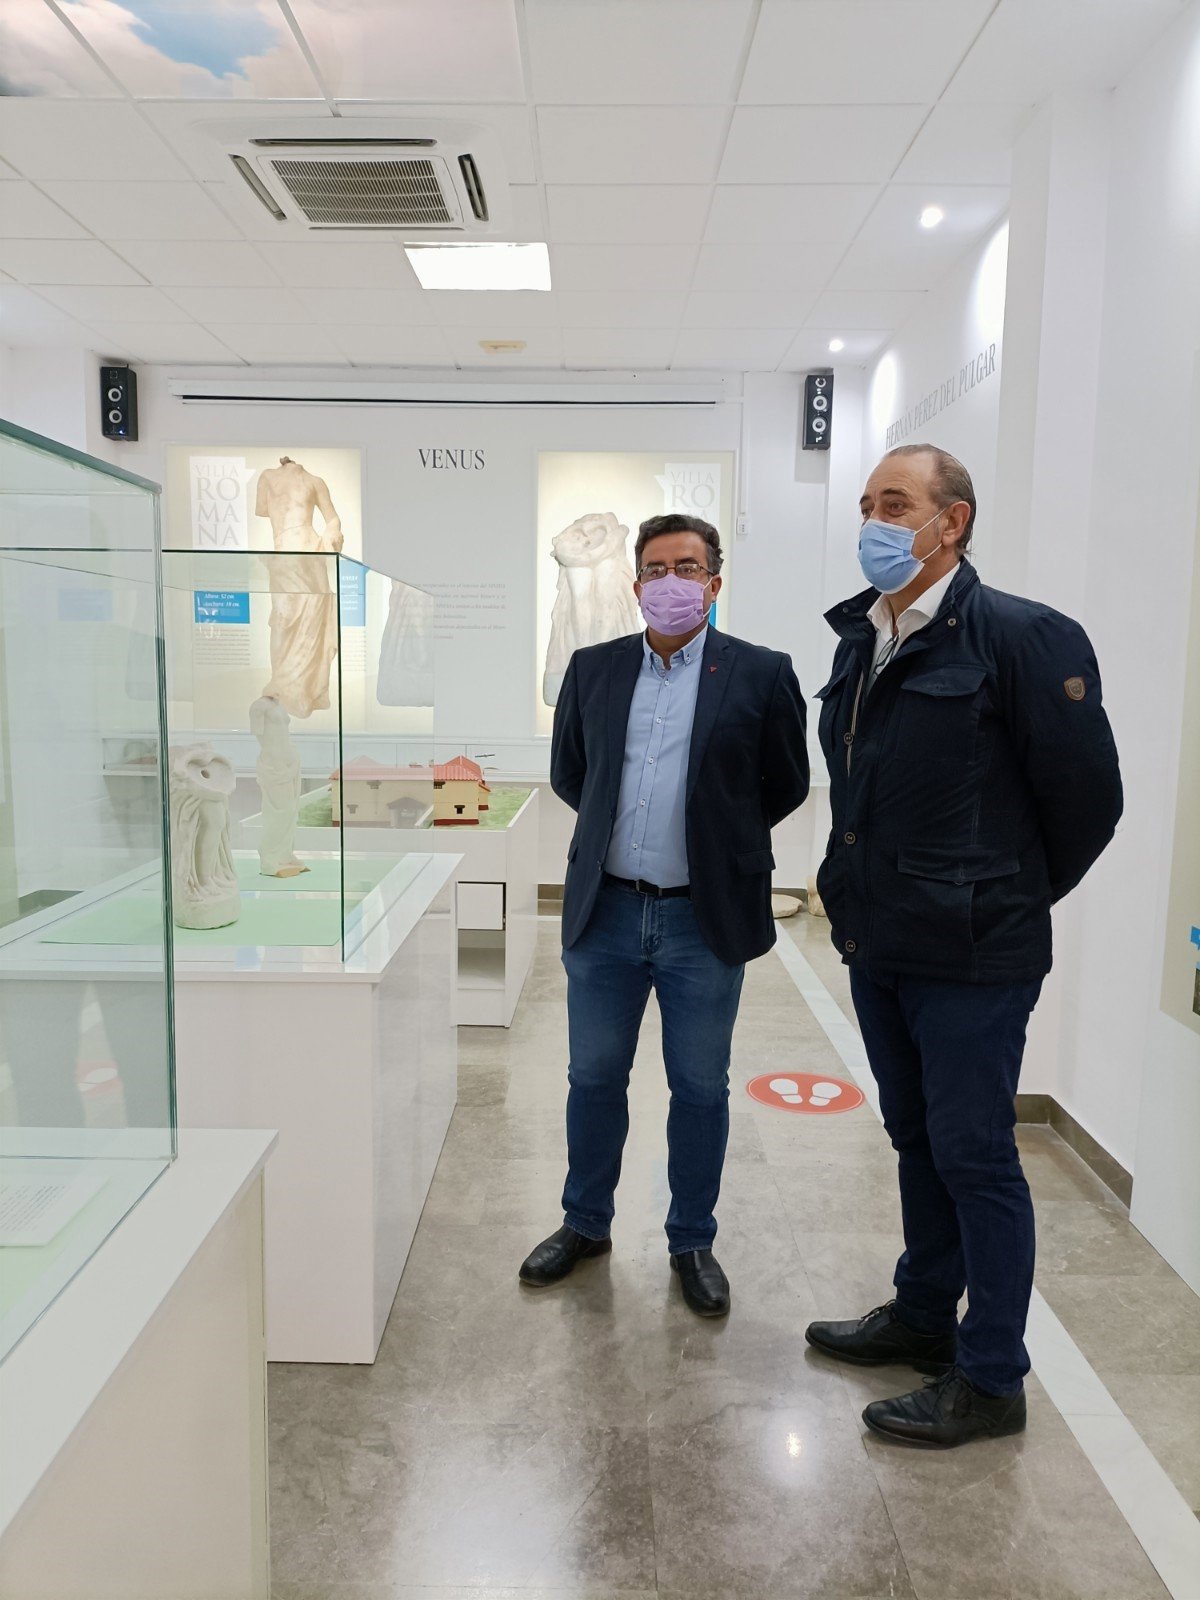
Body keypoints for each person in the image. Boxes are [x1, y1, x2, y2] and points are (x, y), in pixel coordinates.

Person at [805, 444, 1122, 1447]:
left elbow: (1087, 804)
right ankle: (922, 1313)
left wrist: (997, 898)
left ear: (954, 522)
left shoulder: (1024, 636)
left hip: (975, 957)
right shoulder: (863, 638)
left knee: (977, 1155)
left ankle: (990, 1379)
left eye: (896, 504)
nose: (875, 522)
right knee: (915, 1136)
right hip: (880, 941)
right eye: (868, 504)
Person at [519, 512, 809, 1315]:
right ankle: (585, 1223)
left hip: (700, 920)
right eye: (655, 569)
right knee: (593, 1077)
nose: (669, 582)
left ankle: (691, 1239)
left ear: (713, 583)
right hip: (606, 913)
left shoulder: (760, 673)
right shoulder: (595, 668)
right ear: (636, 582)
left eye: (686, 568)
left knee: (701, 1088)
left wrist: (715, 840)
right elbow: (573, 774)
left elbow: (785, 782)